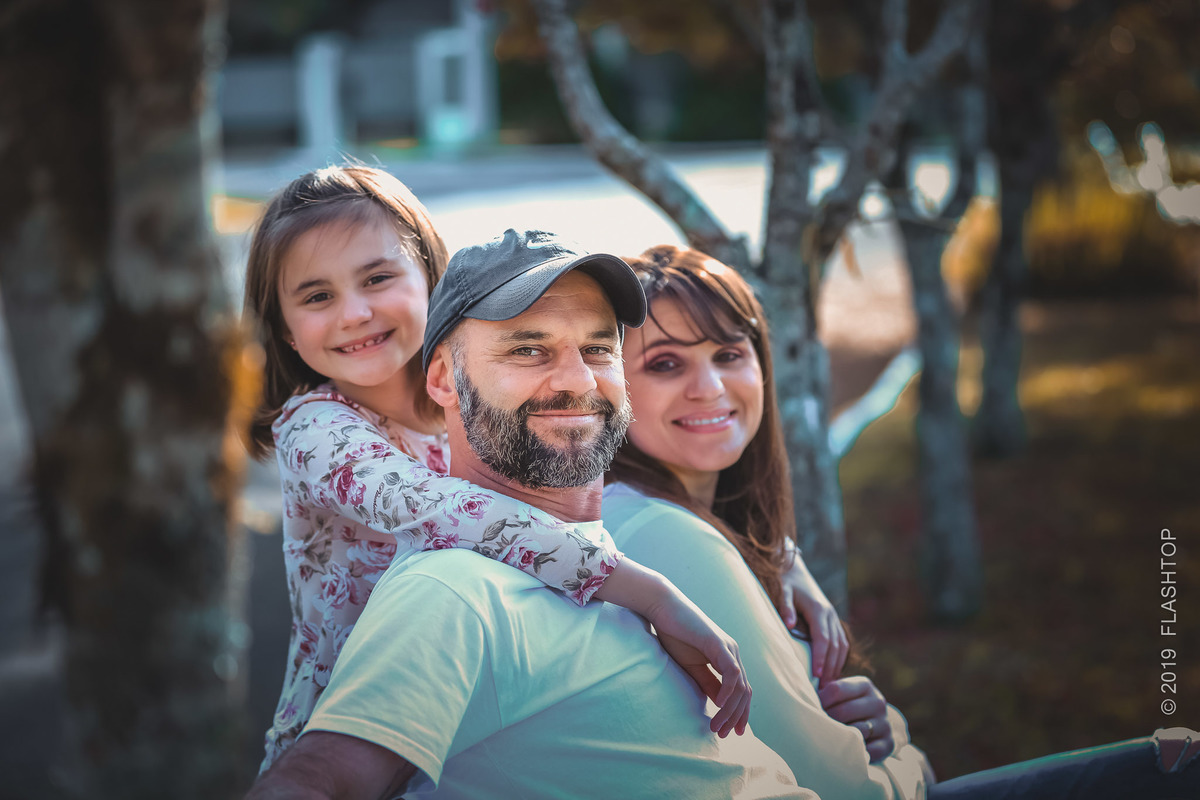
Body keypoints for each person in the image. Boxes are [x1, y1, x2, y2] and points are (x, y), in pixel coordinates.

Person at [601, 243, 1200, 800]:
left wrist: (780, 555)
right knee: (1178, 769)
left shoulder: (660, 521)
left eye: (729, 354)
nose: (709, 388)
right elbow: (839, 789)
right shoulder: (666, 535)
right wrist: (906, 752)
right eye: (666, 364)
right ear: (609, 388)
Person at [246, 229, 813, 799]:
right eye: (527, 350)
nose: (579, 380)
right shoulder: (455, 591)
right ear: (442, 379)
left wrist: (779, 557)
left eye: (598, 349)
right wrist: (649, 592)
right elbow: (316, 782)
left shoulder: (603, 537)